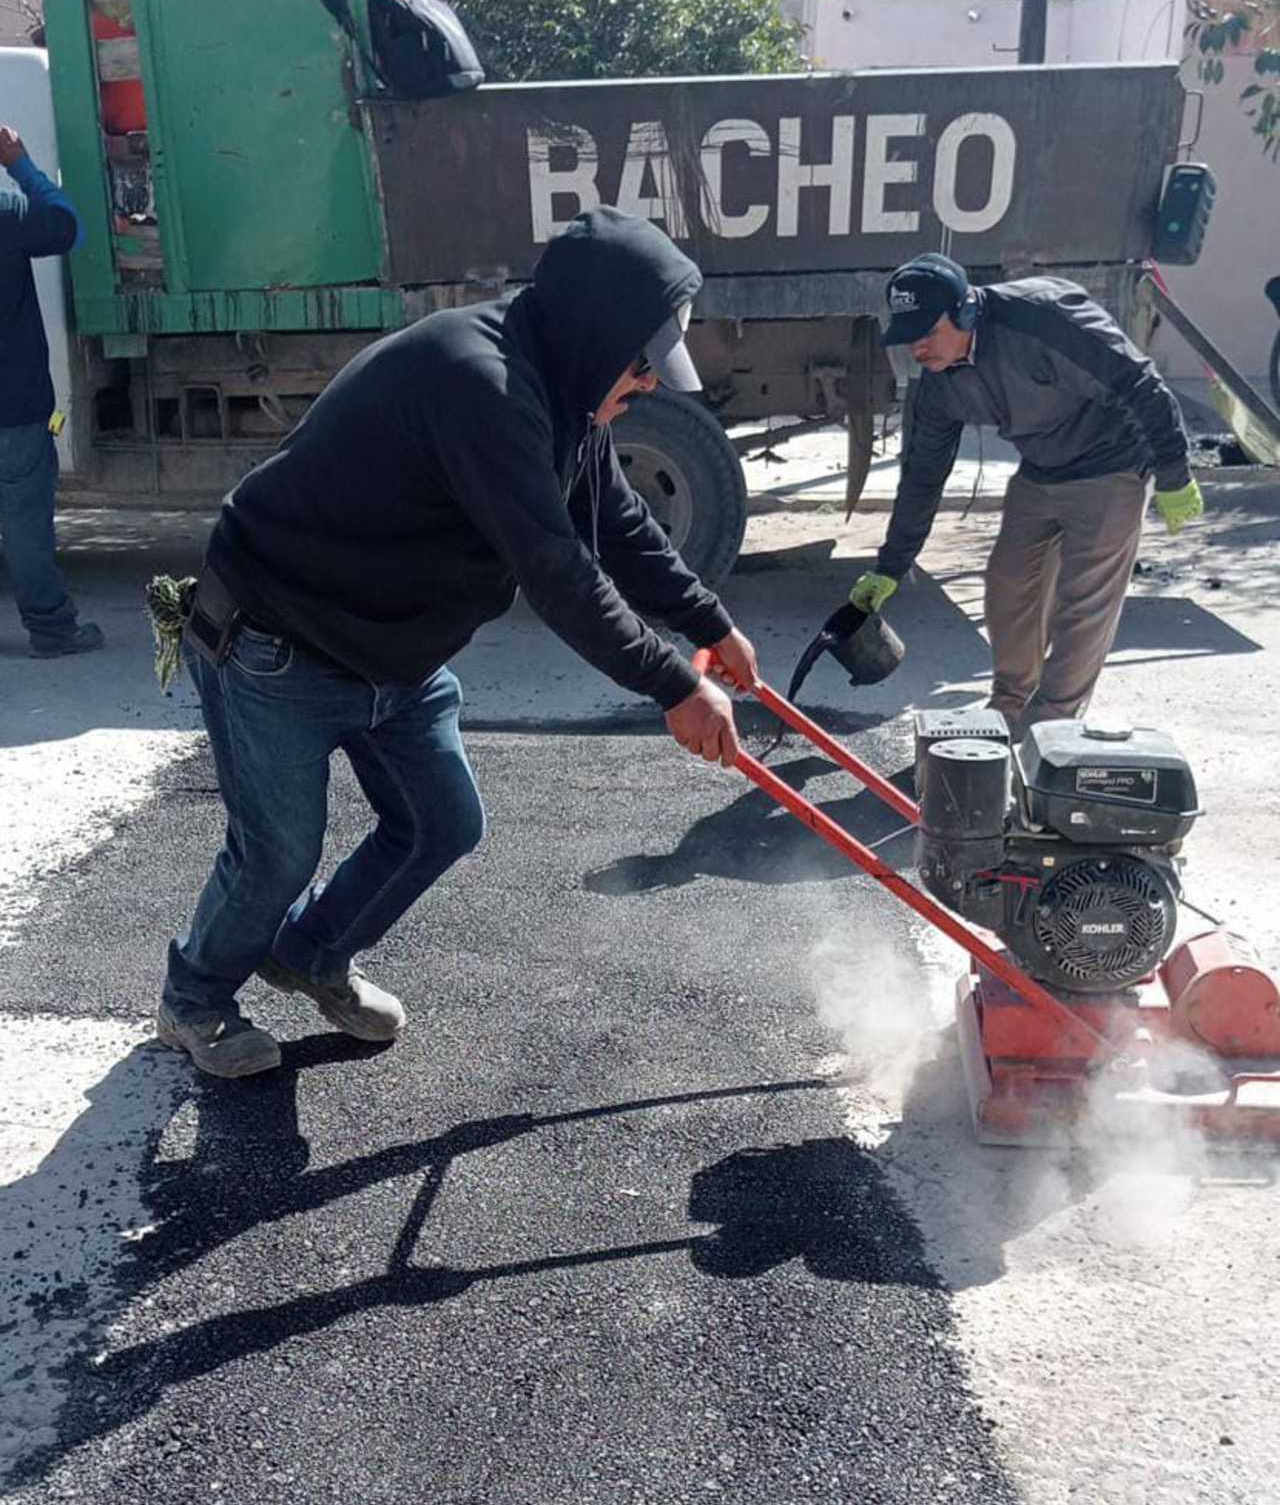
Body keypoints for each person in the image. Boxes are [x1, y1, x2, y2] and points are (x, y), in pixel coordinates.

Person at [159, 208, 756, 1079]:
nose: (651, 385)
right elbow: (557, 569)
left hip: (392, 648)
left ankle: (309, 954)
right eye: (641, 361)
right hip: (279, 637)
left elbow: (615, 523)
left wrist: (710, 625)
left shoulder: (562, 387)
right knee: (279, 850)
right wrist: (673, 684)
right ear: (597, 333)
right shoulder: (480, 382)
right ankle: (195, 998)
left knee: (441, 821)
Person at [847, 253, 1203, 737]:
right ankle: (1010, 710)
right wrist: (890, 564)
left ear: (965, 312)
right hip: (1041, 470)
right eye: (907, 335)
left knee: (1082, 607)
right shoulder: (937, 388)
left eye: (926, 332)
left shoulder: (1045, 318)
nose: (917, 348)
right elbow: (922, 477)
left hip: (1113, 463)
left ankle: (1051, 730)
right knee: (1008, 587)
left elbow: (1138, 381)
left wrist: (1174, 473)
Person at [0, 125, 102, 658]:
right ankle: (53, 629)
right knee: (24, 523)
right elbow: (68, 229)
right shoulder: (6, 213)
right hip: (12, 408)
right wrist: (20, 165)